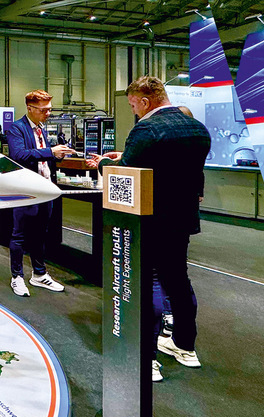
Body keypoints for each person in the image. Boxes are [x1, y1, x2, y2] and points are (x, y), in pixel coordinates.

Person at [87, 76, 211, 381]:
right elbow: (175, 169)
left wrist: (105, 162)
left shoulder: (146, 128)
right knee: (179, 281)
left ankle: (148, 359)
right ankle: (185, 346)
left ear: (144, 101)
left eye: (133, 105)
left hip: (150, 220)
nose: (134, 111)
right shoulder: (197, 129)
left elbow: (128, 172)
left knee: (150, 284)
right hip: (182, 220)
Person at [6, 89, 74, 296]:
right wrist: (50, 152)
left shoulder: (41, 129)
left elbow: (42, 157)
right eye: (44, 110)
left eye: (49, 109)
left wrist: (57, 156)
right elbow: (19, 155)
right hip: (26, 190)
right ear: (30, 108)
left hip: (45, 189)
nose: (48, 113)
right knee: (19, 235)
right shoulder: (16, 128)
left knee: (39, 234)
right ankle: (16, 277)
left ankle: (39, 274)